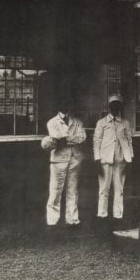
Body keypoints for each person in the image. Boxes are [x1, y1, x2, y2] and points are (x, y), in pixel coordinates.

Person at [46, 96, 86, 227]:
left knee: (72, 190)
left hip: (75, 159)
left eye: (68, 102)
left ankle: (72, 219)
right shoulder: (52, 122)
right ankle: (52, 220)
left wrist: (66, 139)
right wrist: (71, 139)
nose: (66, 105)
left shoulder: (77, 122)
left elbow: (82, 138)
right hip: (58, 160)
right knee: (55, 190)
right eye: (62, 102)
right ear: (58, 105)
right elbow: (58, 139)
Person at [93, 94, 133, 222]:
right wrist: (97, 160)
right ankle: (102, 214)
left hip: (120, 160)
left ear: (120, 107)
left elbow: (129, 141)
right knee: (104, 188)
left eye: (118, 106)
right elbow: (97, 142)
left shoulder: (125, 123)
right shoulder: (102, 123)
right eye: (113, 105)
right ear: (109, 107)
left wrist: (130, 158)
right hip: (105, 160)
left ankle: (118, 215)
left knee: (119, 188)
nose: (115, 108)